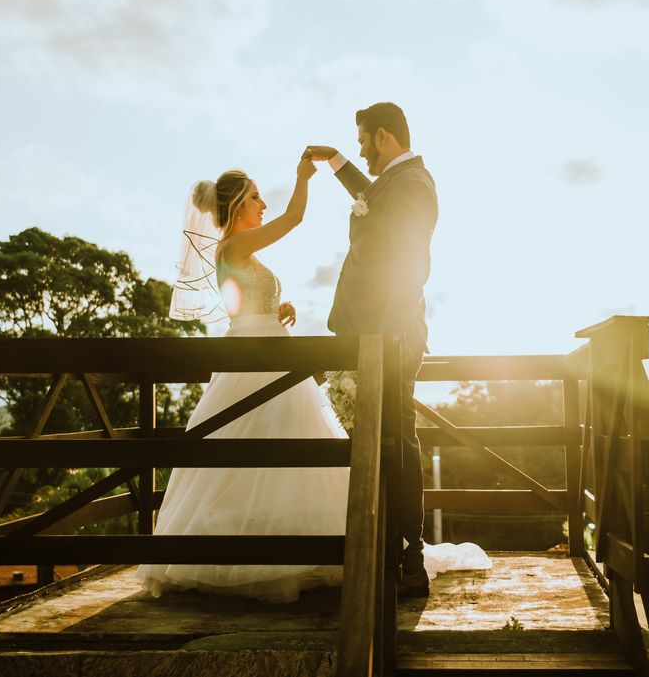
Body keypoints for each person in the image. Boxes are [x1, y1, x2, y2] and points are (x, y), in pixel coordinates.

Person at [136, 160, 351, 603]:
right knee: (253, 453)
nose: (264, 204)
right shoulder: (232, 246)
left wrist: (278, 307)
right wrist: (304, 177)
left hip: (271, 354)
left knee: (281, 450)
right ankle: (250, 558)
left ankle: (291, 547)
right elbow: (294, 218)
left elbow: (249, 302)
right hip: (256, 362)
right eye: (256, 196)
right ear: (237, 205)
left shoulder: (242, 253)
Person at [304, 101, 439, 597]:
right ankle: (381, 549)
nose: (361, 149)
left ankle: (409, 558)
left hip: (389, 338)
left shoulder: (413, 186)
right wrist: (339, 162)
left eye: (362, 140)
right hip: (370, 338)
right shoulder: (395, 184)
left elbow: (411, 266)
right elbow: (372, 200)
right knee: (377, 444)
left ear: (383, 136)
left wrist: (384, 339)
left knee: (397, 443)